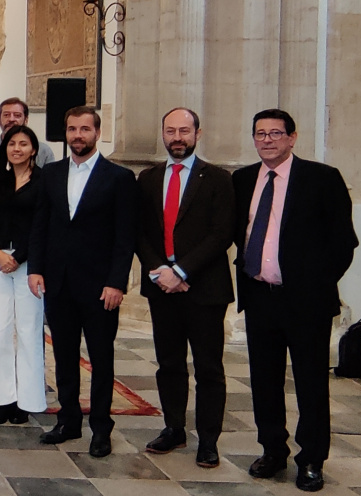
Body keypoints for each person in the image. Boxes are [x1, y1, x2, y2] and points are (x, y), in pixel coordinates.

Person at [234, 110, 358, 493]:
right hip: (260, 297)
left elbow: (344, 243)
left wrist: (314, 285)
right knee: (264, 381)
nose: (267, 140)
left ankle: (311, 460)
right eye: (260, 134)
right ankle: (273, 450)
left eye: (275, 133)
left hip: (307, 303)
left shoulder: (322, 179)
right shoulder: (241, 180)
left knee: (310, 383)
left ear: (292, 138)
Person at [28, 106, 135, 458]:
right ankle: (68, 420)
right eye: (72, 129)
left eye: (84, 129)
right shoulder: (52, 174)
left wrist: (117, 282)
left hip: (100, 285)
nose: (78, 135)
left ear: (97, 133)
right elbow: (41, 224)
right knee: (63, 355)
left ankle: (101, 428)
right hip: (58, 282)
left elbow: (125, 236)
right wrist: (36, 268)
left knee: (101, 358)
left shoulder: (118, 177)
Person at [136, 108, 236, 468]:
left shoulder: (219, 179)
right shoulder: (147, 178)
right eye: (171, 130)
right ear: (162, 134)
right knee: (169, 364)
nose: (177, 137)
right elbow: (141, 233)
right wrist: (158, 271)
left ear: (198, 133)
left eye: (184, 130)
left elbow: (221, 233)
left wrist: (181, 270)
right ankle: (173, 428)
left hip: (204, 287)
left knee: (208, 367)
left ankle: (208, 440)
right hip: (162, 287)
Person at [0, 125, 47, 426]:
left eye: (23, 144)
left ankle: (26, 400)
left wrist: (19, 257)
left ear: (34, 149)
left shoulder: (43, 182)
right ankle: (1, 399)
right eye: (12, 144)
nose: (17, 148)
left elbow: (42, 225)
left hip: (29, 265)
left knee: (29, 332)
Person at [0, 98, 56, 167]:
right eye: (6, 115)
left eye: (17, 115)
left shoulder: (43, 151)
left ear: (26, 120)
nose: (11, 119)